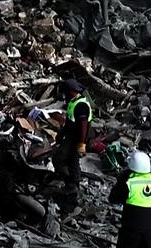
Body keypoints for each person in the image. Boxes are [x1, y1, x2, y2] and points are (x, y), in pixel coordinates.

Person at [108, 151, 151, 248]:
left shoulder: (128, 183)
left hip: (130, 231)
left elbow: (113, 199)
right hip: (150, 231)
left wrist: (122, 178)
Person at [53, 78, 92, 213]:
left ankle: (71, 186)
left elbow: (83, 126)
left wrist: (82, 143)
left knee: (70, 160)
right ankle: (68, 181)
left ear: (72, 91)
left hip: (76, 138)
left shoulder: (81, 105)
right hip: (70, 136)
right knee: (63, 158)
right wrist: (61, 134)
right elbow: (69, 122)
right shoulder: (73, 102)